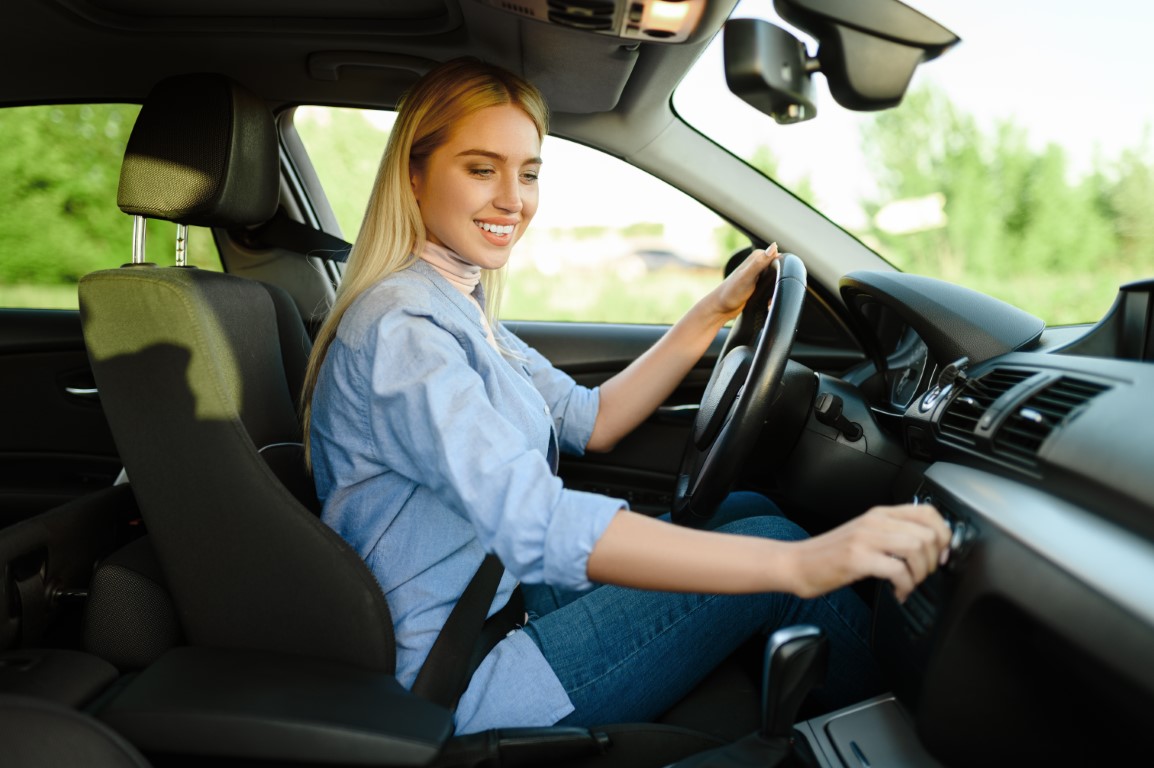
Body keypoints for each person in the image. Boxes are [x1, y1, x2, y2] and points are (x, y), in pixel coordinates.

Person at [301, 57, 951, 735]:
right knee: (773, 543)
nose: (513, 199)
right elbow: (533, 520)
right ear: (414, 173)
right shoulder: (404, 330)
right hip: (459, 672)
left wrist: (713, 313)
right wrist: (801, 564)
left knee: (748, 507)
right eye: (480, 168)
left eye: (528, 172)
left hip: (497, 597)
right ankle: (926, 736)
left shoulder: (455, 308)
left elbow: (592, 419)